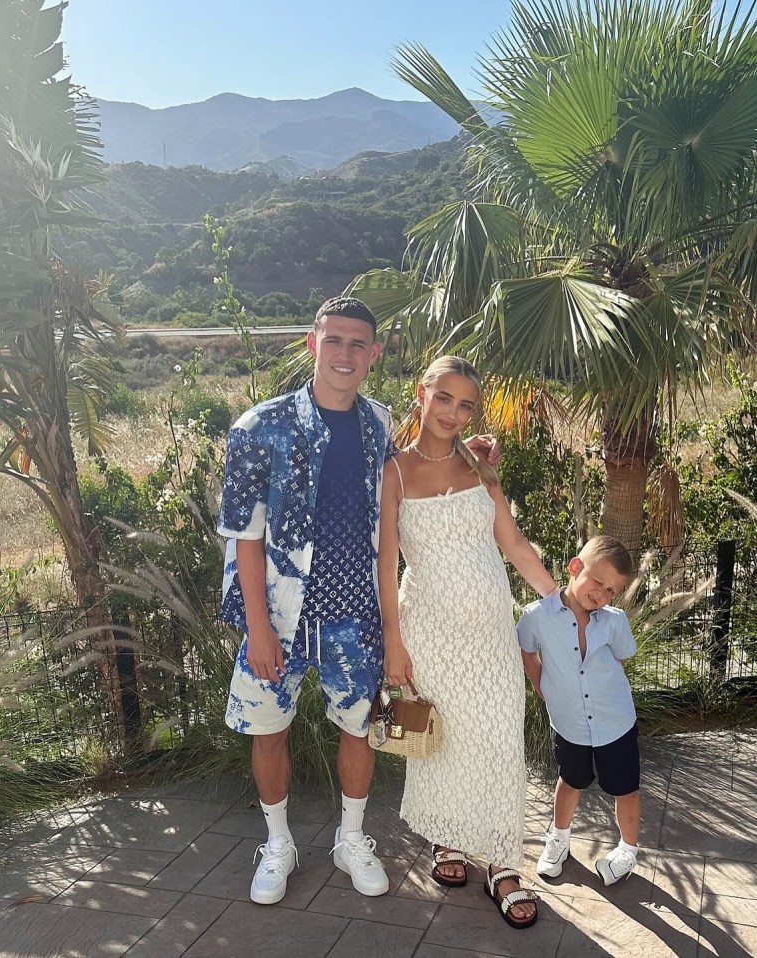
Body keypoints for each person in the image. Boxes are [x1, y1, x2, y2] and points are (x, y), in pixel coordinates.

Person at [218, 297, 496, 906]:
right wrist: (259, 629)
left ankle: (350, 839)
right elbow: (245, 536)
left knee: (359, 732)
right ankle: (279, 844)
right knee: (269, 733)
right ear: (313, 343)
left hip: (354, 617)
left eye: (358, 344)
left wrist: (478, 461)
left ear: (373, 354)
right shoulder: (259, 428)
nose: (345, 354)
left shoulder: (378, 422)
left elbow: (420, 471)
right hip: (281, 619)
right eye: (334, 340)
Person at [377, 356, 559, 930]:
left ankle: (505, 866)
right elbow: (385, 563)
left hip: (489, 637)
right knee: (441, 739)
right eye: (444, 399)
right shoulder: (395, 473)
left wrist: (562, 602)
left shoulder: (482, 467)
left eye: (466, 405)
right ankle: (447, 837)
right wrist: (393, 640)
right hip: (427, 633)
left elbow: (513, 544)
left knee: (500, 741)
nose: (454, 414)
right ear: (421, 395)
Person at [517, 535, 642, 886]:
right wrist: (539, 683)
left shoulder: (614, 621)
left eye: (612, 592)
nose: (602, 596)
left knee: (626, 789)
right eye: (598, 583)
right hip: (569, 722)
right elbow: (527, 650)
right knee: (570, 781)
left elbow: (619, 658)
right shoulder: (537, 617)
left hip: (615, 722)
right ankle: (558, 839)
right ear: (575, 567)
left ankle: (627, 851)